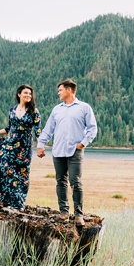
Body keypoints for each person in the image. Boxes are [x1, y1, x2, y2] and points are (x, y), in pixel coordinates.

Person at [36, 78, 98, 217]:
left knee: (75, 182)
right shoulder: (57, 109)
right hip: (58, 151)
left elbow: (92, 128)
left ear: (69, 90)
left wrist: (83, 143)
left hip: (75, 151)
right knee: (60, 181)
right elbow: (48, 129)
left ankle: (78, 215)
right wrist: (41, 144)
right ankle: (64, 212)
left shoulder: (84, 107)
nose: (58, 93)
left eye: (60, 90)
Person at [0, 84, 41, 210]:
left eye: (30, 94)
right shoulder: (12, 110)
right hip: (9, 145)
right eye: (25, 93)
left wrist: (41, 145)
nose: (28, 95)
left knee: (22, 175)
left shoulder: (34, 112)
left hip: (24, 148)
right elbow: (9, 128)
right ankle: (5, 200)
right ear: (19, 94)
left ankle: (19, 203)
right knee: (4, 170)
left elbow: (37, 131)